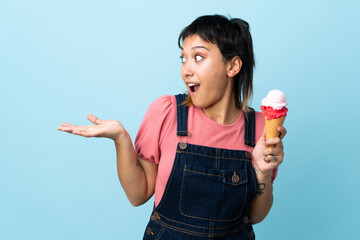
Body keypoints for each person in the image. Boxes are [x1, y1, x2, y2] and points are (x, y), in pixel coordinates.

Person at [57, 14, 287, 240]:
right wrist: (120, 138)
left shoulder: (260, 128)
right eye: (183, 58)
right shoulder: (166, 112)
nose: (186, 70)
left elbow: (255, 216)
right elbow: (138, 195)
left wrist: (262, 171)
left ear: (233, 66)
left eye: (198, 57)